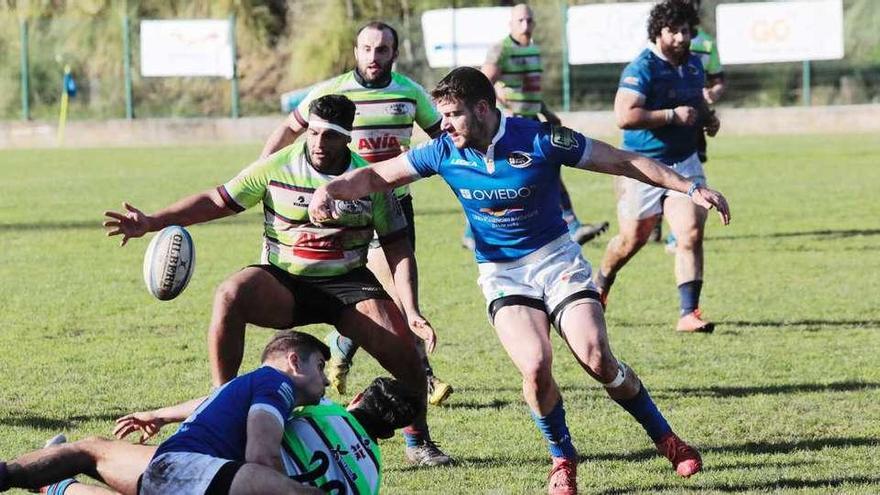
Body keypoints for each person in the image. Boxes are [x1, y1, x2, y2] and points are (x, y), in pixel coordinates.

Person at [307, 67, 731, 494]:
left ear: (482, 108)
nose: (445, 124)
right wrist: (332, 189)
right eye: (443, 115)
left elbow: (622, 160)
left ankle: (667, 439)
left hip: (556, 261)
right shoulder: (442, 151)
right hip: (503, 273)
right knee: (534, 366)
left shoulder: (540, 138)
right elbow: (377, 175)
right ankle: (562, 459)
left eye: (453, 114)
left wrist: (690, 188)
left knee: (597, 357)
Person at [103, 94, 451, 466]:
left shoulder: (368, 180)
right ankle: (223, 401)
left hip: (348, 282)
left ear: (347, 137)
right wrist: (153, 222)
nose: (318, 143)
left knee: (408, 359)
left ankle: (419, 443)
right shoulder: (276, 166)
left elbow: (398, 248)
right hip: (285, 280)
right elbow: (217, 200)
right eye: (313, 132)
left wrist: (410, 308)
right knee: (230, 294)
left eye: (330, 136)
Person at [262, 21, 453, 406]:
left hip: (394, 204)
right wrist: (264, 172)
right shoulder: (331, 92)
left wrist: (427, 163)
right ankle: (424, 379)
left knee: (385, 296)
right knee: (385, 298)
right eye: (366, 49)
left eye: (382, 50)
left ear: (394, 55)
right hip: (340, 210)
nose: (373, 57)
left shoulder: (410, 92)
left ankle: (340, 352)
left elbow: (444, 140)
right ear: (355, 51)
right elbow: (290, 128)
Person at [0, 367, 420, 494]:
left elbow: (230, 404)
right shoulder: (375, 476)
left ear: (358, 397)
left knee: (94, 450)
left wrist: (163, 415)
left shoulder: (323, 408)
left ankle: (35, 478)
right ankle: (52, 489)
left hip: (229, 482)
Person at [596, 0, 722, 333]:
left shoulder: (694, 64)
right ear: (659, 32)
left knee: (690, 234)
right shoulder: (642, 68)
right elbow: (624, 116)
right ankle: (602, 282)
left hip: (685, 163)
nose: (682, 38)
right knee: (630, 240)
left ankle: (688, 313)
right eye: (674, 31)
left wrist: (708, 119)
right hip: (643, 167)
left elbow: (695, 103)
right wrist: (671, 116)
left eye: (686, 31)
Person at [470, 2, 609, 250]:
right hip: (510, 125)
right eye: (520, 21)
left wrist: (547, 112)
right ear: (510, 24)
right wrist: (504, 107)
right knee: (515, 175)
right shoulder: (501, 50)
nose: (526, 25)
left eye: (529, 20)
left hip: (531, 121)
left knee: (536, 169)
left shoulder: (532, 49)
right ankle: (474, 232)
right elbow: (482, 84)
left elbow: (529, 91)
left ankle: (571, 224)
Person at [664, 0, 727, 252]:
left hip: (695, 118)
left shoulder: (706, 43)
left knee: (689, 170)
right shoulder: (663, 41)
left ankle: (676, 229)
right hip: (667, 119)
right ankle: (661, 222)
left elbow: (718, 79)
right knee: (663, 170)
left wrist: (713, 94)